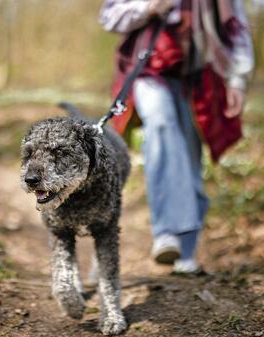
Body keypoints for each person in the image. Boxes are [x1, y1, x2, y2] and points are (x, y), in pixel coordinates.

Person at [99, 0, 254, 273]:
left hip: (198, 77)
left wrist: (237, 79)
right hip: (149, 72)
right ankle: (166, 232)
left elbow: (235, 27)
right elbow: (109, 16)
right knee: (161, 125)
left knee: (190, 159)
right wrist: (148, 8)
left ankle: (186, 251)